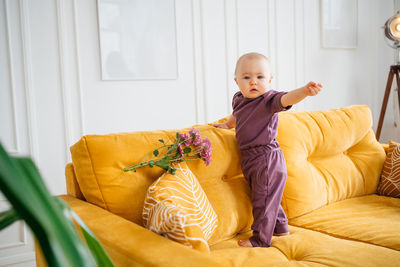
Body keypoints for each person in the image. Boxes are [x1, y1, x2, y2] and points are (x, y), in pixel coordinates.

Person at [213, 52, 322, 248]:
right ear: (237, 81)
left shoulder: (268, 101)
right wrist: (228, 125)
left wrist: (304, 91)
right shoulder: (239, 98)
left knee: (263, 200)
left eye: (260, 77)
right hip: (250, 159)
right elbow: (237, 115)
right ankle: (281, 228)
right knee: (266, 195)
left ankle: (260, 239)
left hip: (266, 158)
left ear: (270, 79)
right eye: (246, 77)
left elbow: (288, 98)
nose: (253, 82)